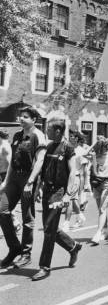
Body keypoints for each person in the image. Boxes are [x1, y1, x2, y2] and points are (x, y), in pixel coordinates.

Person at [31, 118, 82, 281]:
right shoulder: (50, 145)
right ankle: (73, 246)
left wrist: (68, 195)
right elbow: (44, 169)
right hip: (47, 190)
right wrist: (39, 187)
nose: (47, 132)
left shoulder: (68, 148)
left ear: (58, 131)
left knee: (48, 229)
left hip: (59, 192)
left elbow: (73, 171)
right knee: (50, 227)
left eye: (49, 129)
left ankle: (44, 267)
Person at [0, 107, 46, 268]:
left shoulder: (38, 136)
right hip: (14, 178)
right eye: (20, 116)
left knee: (27, 218)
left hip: (29, 177)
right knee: (2, 209)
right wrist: (6, 181)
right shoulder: (18, 135)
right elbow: (13, 160)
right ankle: (14, 248)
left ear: (34, 119)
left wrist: (31, 182)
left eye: (25, 116)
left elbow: (39, 161)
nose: (21, 118)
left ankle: (26, 254)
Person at [62, 131, 89, 231]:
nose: (70, 138)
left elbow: (84, 171)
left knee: (69, 199)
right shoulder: (68, 148)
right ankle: (80, 216)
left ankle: (66, 223)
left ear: (77, 138)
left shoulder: (81, 151)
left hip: (76, 177)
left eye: (72, 136)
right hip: (67, 177)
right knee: (73, 200)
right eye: (70, 136)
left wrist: (84, 185)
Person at [0, 130, 21, 234]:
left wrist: (6, 181)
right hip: (1, 175)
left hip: (5, 176)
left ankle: (15, 222)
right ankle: (15, 222)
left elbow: (10, 165)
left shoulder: (5, 146)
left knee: (4, 203)